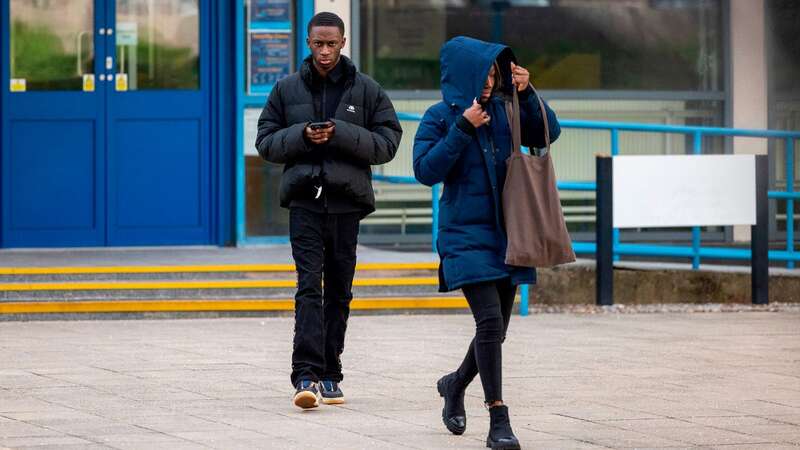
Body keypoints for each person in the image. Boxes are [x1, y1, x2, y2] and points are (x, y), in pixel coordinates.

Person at [413, 36, 561, 449]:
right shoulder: (440, 117)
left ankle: (454, 384)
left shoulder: (506, 110)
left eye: (495, 74)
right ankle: (498, 417)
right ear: (464, 75)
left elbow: (549, 132)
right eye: (484, 73)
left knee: (496, 332)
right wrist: (463, 128)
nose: (490, 81)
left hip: (513, 231)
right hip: (464, 234)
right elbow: (425, 170)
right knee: (490, 324)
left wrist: (527, 92)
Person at [255, 11, 402, 410]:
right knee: (308, 287)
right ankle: (304, 374)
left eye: (331, 44)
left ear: (343, 42)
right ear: (308, 43)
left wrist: (342, 134)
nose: (324, 51)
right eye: (317, 43)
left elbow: (389, 142)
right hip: (304, 201)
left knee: (339, 291)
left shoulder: (368, 90)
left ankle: (330, 373)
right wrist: (302, 136)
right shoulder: (285, 89)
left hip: (346, 205)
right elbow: (265, 142)